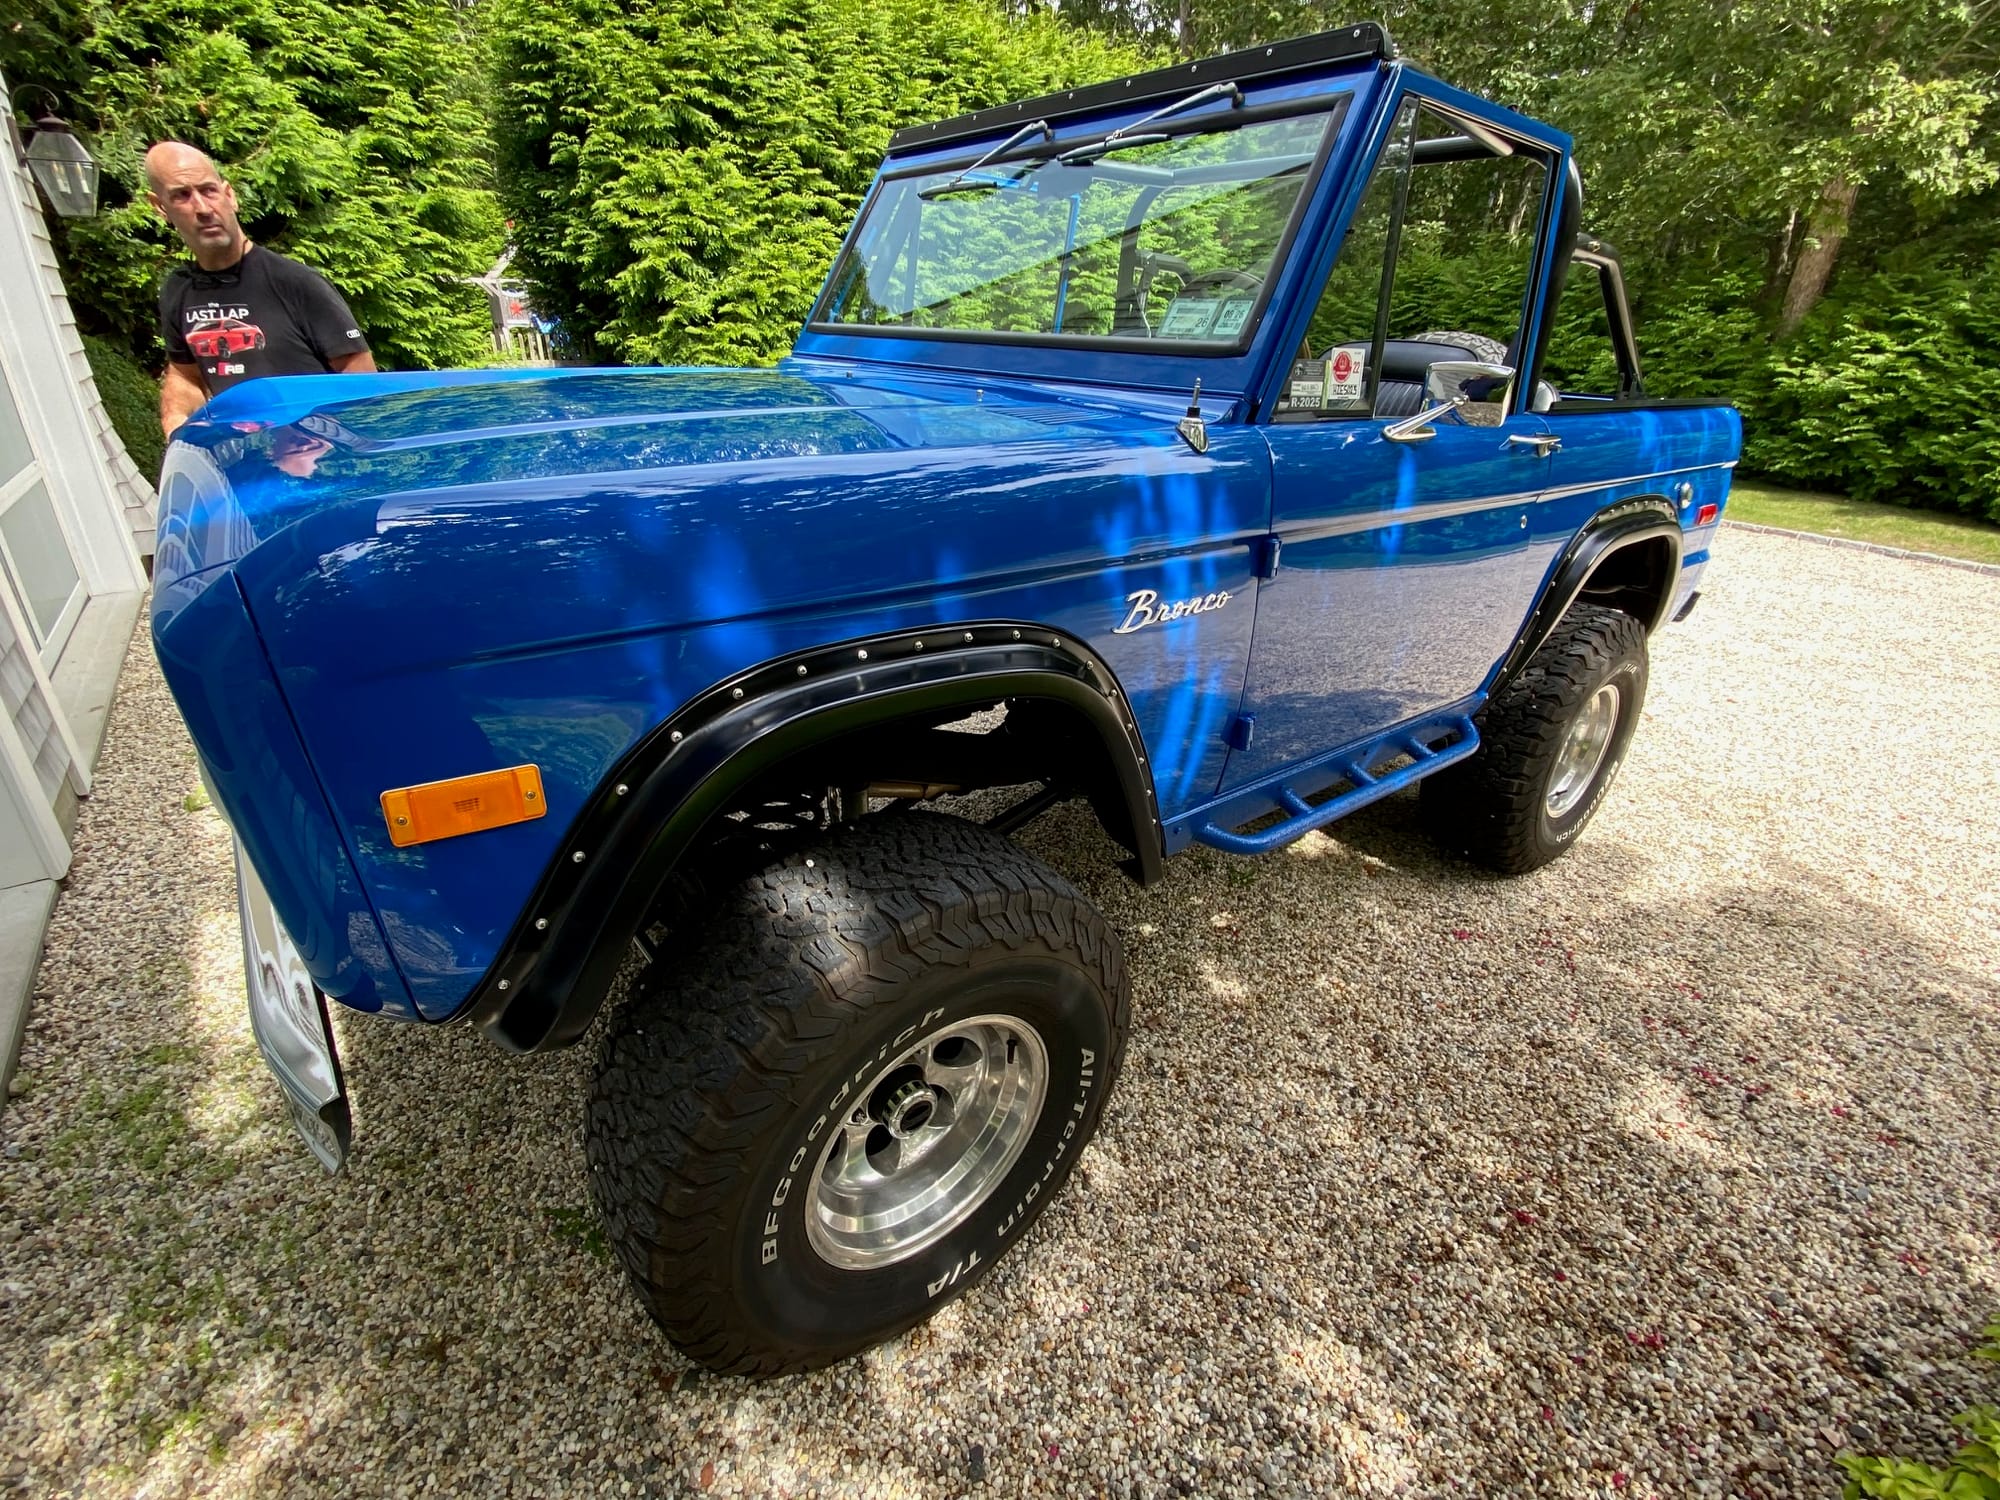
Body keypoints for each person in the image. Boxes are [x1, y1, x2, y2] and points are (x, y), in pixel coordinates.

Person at [146, 141, 377, 438]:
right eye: (182, 196)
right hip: (247, 465)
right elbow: (186, 375)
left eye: (208, 190)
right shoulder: (178, 290)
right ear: (160, 207)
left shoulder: (295, 282)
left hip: (316, 459)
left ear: (230, 196)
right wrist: (177, 428)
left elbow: (361, 381)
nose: (202, 208)